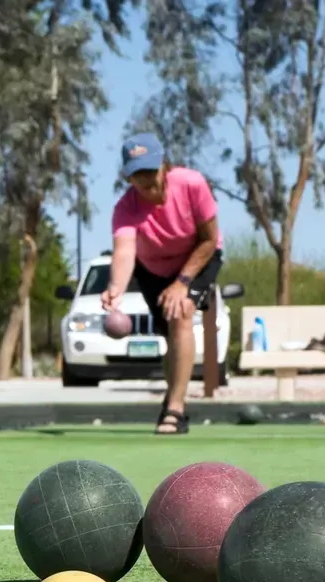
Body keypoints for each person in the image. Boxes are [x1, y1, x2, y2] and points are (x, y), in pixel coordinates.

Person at [101, 133, 224, 435]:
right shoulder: (125, 208)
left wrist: (183, 282)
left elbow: (209, 240)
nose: (147, 182)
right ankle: (173, 396)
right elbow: (125, 251)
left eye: (150, 171)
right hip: (153, 270)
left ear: (164, 166)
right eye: (138, 175)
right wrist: (116, 286)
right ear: (128, 177)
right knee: (171, 332)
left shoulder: (192, 184)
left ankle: (176, 410)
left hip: (199, 257)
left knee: (181, 312)